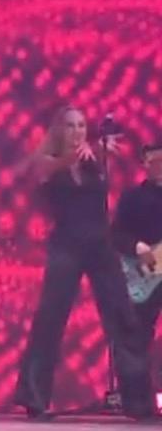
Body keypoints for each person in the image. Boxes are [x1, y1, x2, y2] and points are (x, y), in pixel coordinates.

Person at [13, 107, 156, 420]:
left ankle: (138, 402)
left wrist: (101, 155)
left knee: (124, 319)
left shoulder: (93, 160)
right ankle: (34, 398)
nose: (77, 131)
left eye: (81, 125)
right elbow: (49, 168)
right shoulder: (48, 161)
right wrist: (77, 156)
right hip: (66, 245)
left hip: (100, 245)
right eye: (70, 125)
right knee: (50, 319)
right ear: (58, 130)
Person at [112, 143, 162, 364]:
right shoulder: (132, 197)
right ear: (144, 164)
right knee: (137, 339)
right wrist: (137, 246)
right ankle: (135, 383)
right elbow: (116, 234)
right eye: (154, 162)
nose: (159, 167)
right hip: (143, 276)